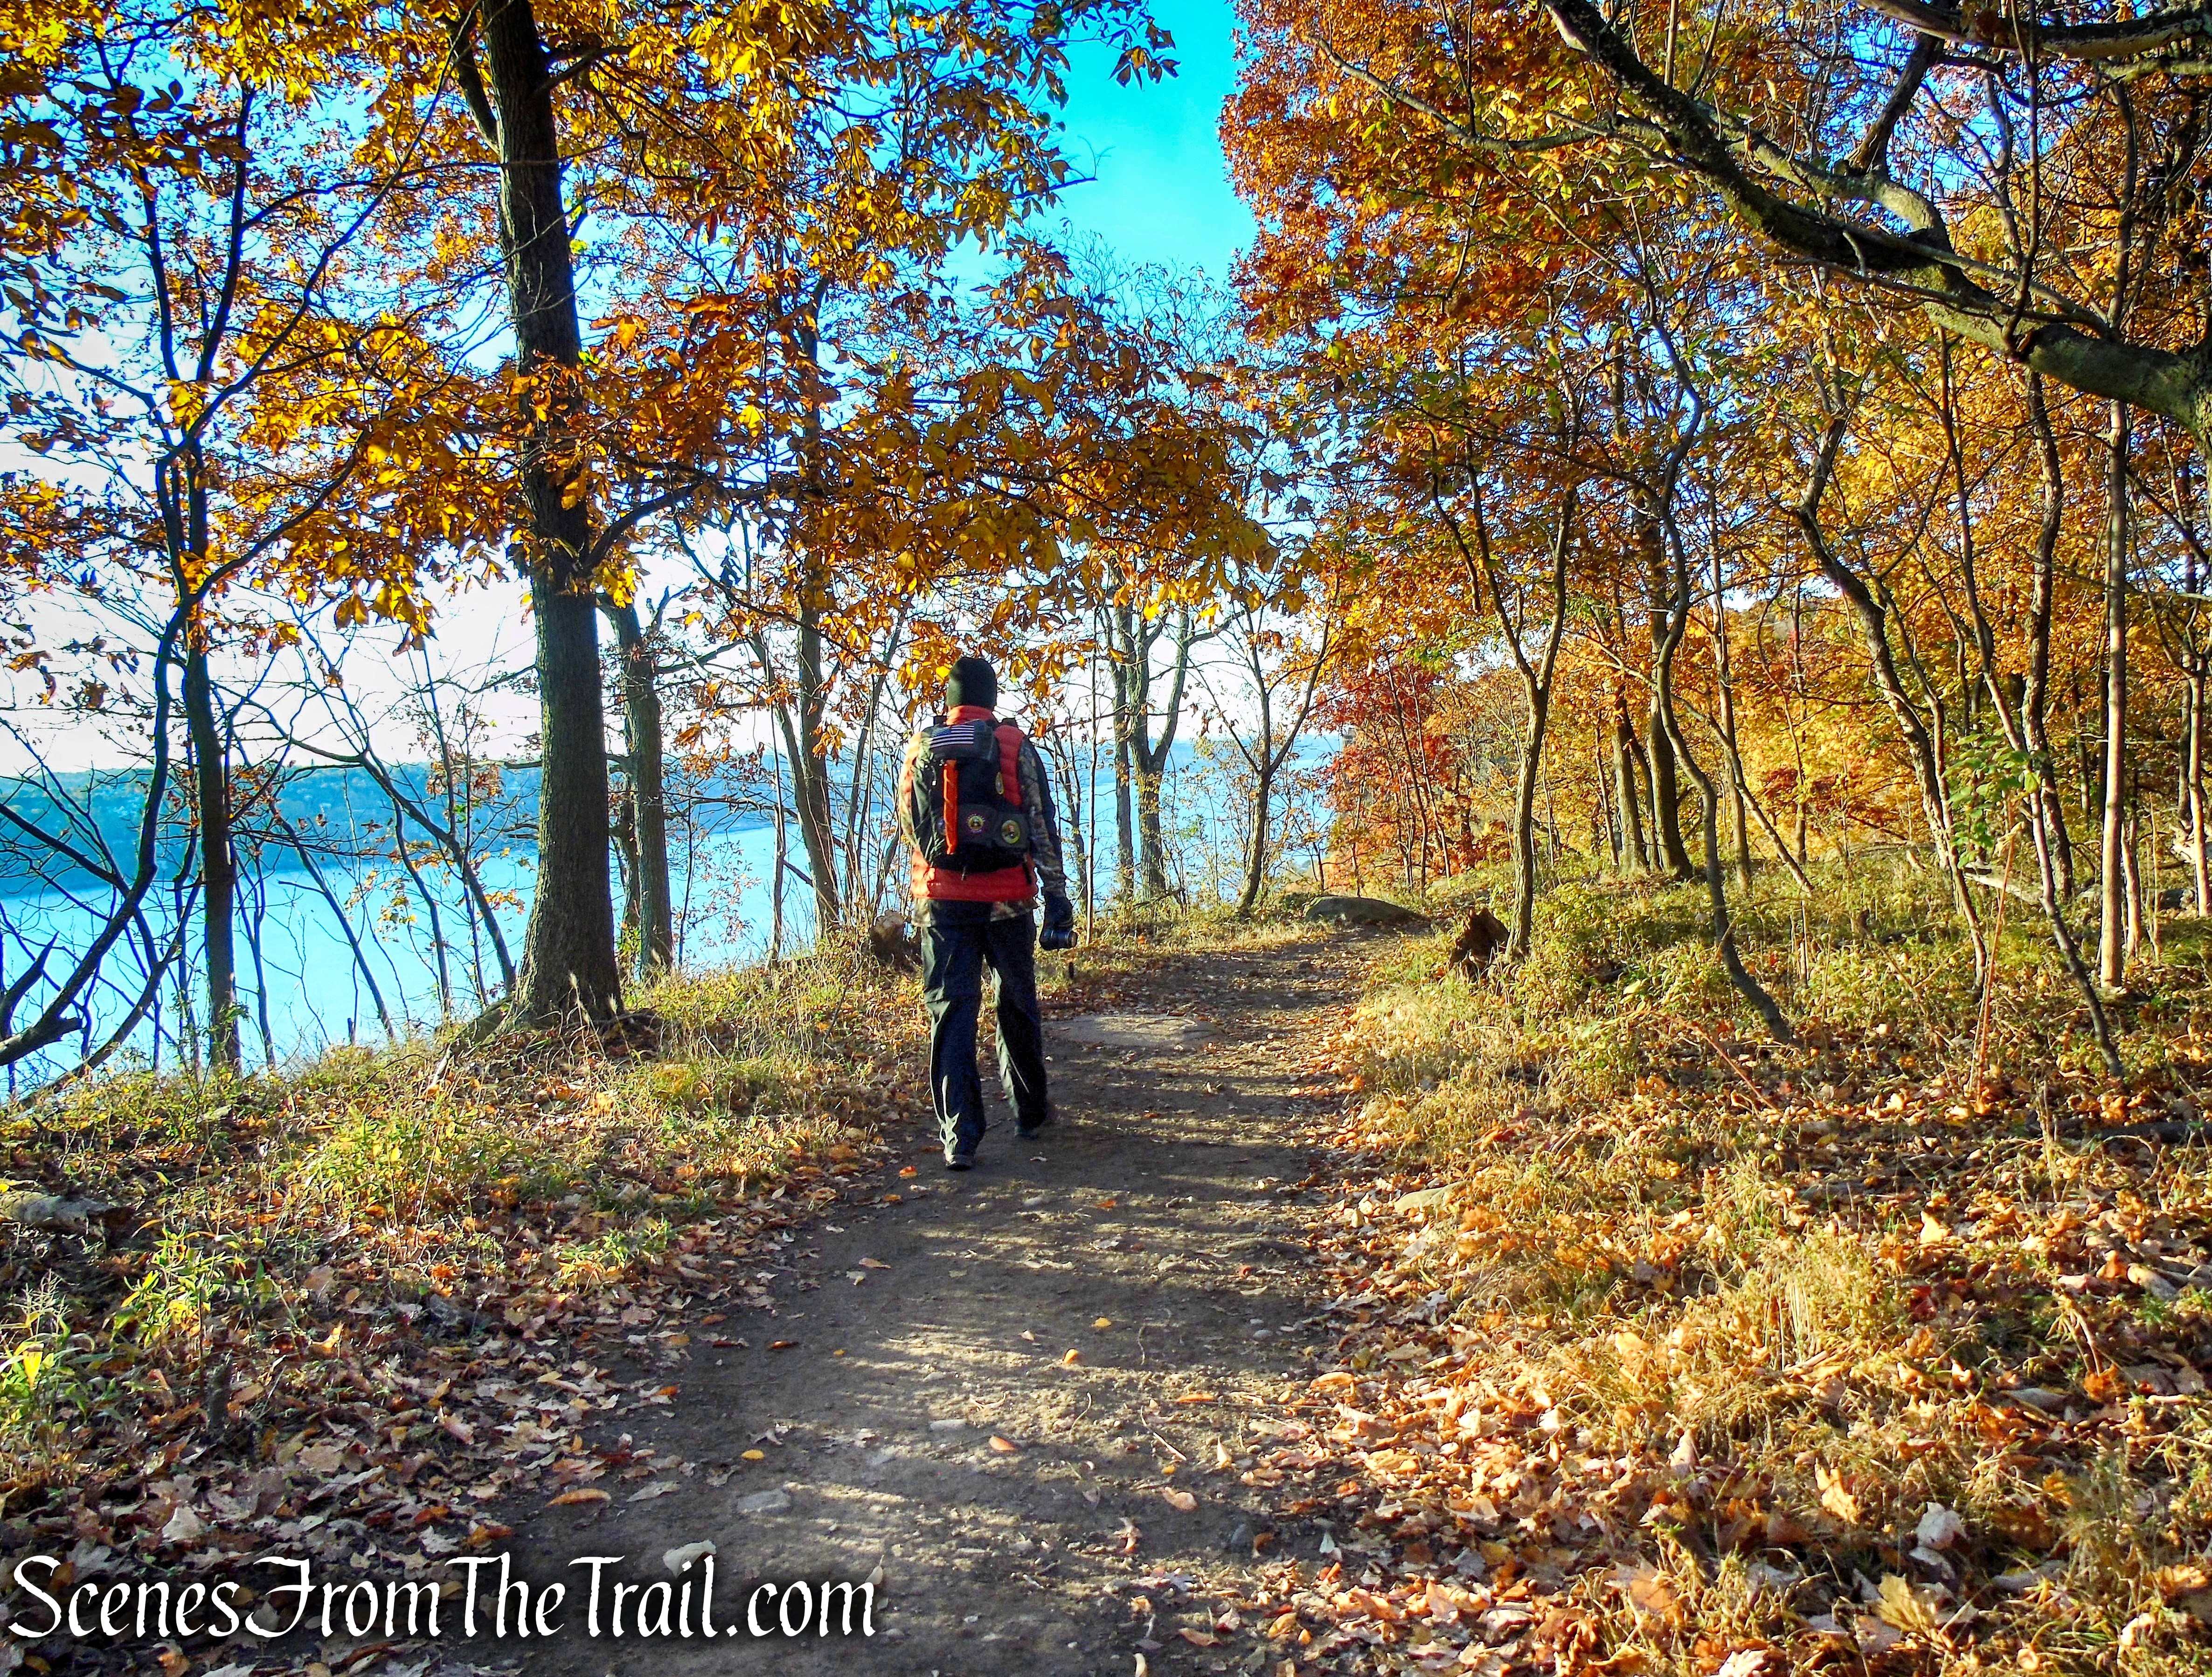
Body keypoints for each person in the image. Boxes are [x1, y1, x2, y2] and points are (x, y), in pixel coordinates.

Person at [896, 654, 1077, 1169]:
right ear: (992, 697)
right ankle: (1031, 1112)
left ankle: (960, 1137)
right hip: (1008, 901)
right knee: (1016, 1004)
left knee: (951, 1013)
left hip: (943, 901)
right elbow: (1040, 826)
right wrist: (1057, 897)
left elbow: (910, 823)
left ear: (949, 699)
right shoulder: (1015, 745)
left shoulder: (921, 746)